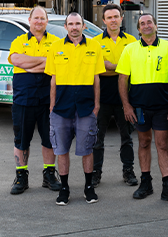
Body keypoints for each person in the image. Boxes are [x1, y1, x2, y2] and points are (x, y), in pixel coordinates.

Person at [117, 13, 168, 204]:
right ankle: (145, 182)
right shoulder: (129, 49)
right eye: (142, 23)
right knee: (144, 143)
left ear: (155, 25)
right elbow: (122, 79)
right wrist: (126, 106)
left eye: (149, 22)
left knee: (162, 145)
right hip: (139, 107)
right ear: (138, 29)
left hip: (163, 106)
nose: (146, 26)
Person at [45, 12, 106, 205]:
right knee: (61, 150)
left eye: (78, 23)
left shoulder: (95, 46)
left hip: (86, 108)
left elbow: (97, 78)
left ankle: (89, 187)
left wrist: (97, 105)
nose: (74, 27)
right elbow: (52, 79)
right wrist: (52, 105)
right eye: (70, 24)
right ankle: (64, 188)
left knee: (87, 149)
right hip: (61, 108)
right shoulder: (55, 47)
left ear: (83, 26)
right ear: (65, 27)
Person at [7, 6, 62, 195]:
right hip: (24, 98)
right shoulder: (19, 41)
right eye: (36, 18)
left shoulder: (56, 42)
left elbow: (54, 63)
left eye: (42, 18)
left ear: (47, 21)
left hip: (50, 99)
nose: (39, 21)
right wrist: (43, 61)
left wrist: (29, 63)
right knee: (22, 140)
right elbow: (16, 60)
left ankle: (49, 175)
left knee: (50, 139)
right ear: (29, 20)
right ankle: (21, 177)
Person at [92, 4, 138, 188]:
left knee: (126, 137)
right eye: (109, 17)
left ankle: (128, 171)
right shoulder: (94, 42)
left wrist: (110, 65)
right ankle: (96, 173)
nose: (113, 20)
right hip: (101, 97)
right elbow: (96, 69)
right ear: (103, 20)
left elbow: (134, 67)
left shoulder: (132, 41)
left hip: (124, 97)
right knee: (97, 139)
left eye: (116, 16)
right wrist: (121, 67)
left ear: (121, 18)